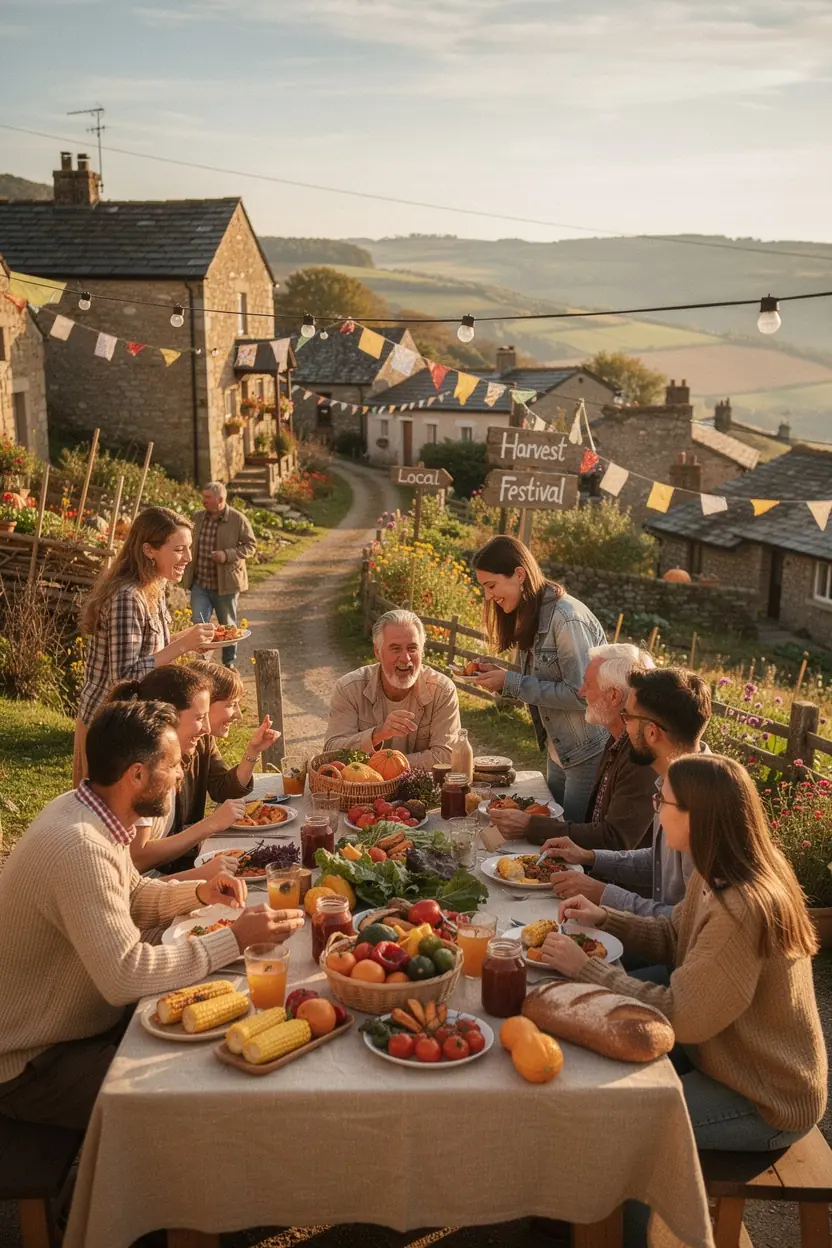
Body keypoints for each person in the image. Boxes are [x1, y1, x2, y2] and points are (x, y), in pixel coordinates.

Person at [0, 699, 304, 1130]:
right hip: (33, 1063)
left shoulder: (88, 809)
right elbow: (126, 975)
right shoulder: (80, 846)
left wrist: (197, 893)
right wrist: (233, 939)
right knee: (201, 1094)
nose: (181, 775)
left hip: (75, 1028)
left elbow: (133, 893)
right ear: (137, 775)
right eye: (174, 765)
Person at [540, 754, 827, 1159]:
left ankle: (617, 1223)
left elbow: (684, 1015)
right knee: (595, 1048)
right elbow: (677, 934)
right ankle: (583, 1218)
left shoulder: (740, 907)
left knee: (614, 1117)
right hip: (724, 1057)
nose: (656, 811)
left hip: (763, 1098)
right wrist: (607, 917)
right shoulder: (718, 869)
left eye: (665, 803)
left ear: (697, 816)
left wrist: (587, 968)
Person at [543, 667, 710, 920]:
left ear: (652, 732)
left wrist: (601, 892)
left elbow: (685, 921)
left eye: (627, 716)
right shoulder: (673, 779)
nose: (623, 725)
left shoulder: (702, 807)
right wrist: (589, 856)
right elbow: (657, 862)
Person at [74, 506, 215, 785]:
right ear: (150, 550)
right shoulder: (128, 597)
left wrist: (186, 641)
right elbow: (124, 677)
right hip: (107, 725)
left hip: (130, 722)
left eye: (189, 548)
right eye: (179, 550)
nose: (188, 557)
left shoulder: (153, 585)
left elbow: (148, 650)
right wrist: (182, 645)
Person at [471, 536, 607, 820]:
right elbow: (537, 678)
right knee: (550, 831)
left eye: (491, 586)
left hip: (585, 752)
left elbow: (581, 694)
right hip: (559, 748)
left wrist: (510, 682)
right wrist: (497, 675)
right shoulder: (530, 614)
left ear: (519, 574)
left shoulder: (566, 619)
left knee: (569, 837)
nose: (487, 596)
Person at [109, 665, 277, 876]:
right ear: (168, 716)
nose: (207, 729)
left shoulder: (163, 758)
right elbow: (138, 861)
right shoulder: (141, 769)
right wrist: (209, 825)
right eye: (199, 718)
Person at [489, 643, 656, 848]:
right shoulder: (616, 738)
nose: (581, 691)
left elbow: (614, 839)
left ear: (614, 696)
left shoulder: (641, 756)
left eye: (588, 684)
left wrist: (532, 826)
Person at [325, 609, 461, 769]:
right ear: (377, 652)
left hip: (421, 792)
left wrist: (387, 765)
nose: (405, 658)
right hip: (363, 790)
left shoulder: (442, 690)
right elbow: (331, 753)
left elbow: (447, 756)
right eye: (395, 649)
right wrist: (377, 735)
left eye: (412, 648)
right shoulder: (349, 688)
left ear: (422, 651)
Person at [183, 481, 257, 669]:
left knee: (229, 626)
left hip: (226, 585)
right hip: (200, 583)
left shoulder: (237, 519)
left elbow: (251, 546)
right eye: (204, 496)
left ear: (220, 499)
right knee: (199, 623)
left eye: (207, 497)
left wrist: (227, 555)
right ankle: (203, 664)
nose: (203, 500)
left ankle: (228, 664)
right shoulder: (198, 517)